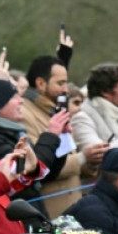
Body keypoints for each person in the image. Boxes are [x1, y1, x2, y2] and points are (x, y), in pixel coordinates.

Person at [21, 55, 107, 217]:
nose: (66, 90)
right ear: (40, 83)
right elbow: (39, 166)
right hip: (52, 209)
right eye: (60, 83)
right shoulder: (26, 114)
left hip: (72, 207)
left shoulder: (55, 111)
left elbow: (69, 158)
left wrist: (92, 161)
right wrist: (83, 158)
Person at [0, 79, 66, 212]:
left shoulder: (15, 133)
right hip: (16, 220)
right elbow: (27, 171)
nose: (21, 101)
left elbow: (46, 173)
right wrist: (51, 135)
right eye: (15, 97)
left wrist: (62, 137)